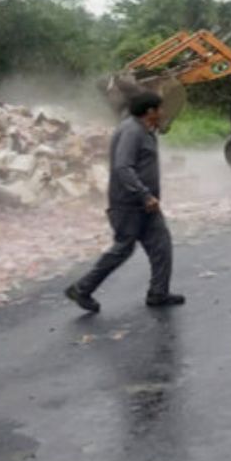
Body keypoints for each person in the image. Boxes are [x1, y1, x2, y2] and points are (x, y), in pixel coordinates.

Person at [65, 92, 184, 313]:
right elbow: (123, 167)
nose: (163, 112)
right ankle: (82, 288)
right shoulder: (131, 131)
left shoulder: (144, 130)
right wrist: (144, 194)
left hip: (146, 205)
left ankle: (159, 293)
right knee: (123, 248)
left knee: (161, 245)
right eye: (160, 109)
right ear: (150, 111)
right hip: (129, 205)